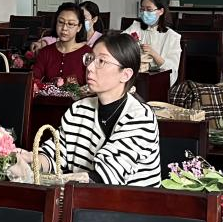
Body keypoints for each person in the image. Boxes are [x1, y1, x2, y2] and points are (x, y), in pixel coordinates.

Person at [11, 33, 160, 186]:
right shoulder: (79, 109)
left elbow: (103, 178)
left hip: (125, 200)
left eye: (101, 61)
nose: (89, 67)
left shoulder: (141, 117)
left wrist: (49, 180)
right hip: (80, 197)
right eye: (90, 58)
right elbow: (55, 156)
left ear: (125, 74)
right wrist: (31, 161)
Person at [32, 3, 93, 87]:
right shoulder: (45, 52)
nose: (64, 28)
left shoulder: (88, 53)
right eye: (61, 22)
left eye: (70, 24)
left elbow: (92, 85)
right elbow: (34, 79)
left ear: (79, 27)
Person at [135, 0, 182, 85]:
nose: (145, 13)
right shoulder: (136, 27)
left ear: (161, 11)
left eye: (149, 10)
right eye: (142, 9)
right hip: (136, 78)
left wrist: (153, 53)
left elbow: (172, 70)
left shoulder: (172, 37)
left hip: (158, 82)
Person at [30, 0, 105, 51]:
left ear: (94, 19)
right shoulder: (73, 33)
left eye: (83, 18)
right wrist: (43, 42)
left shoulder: (101, 40)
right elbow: (57, 40)